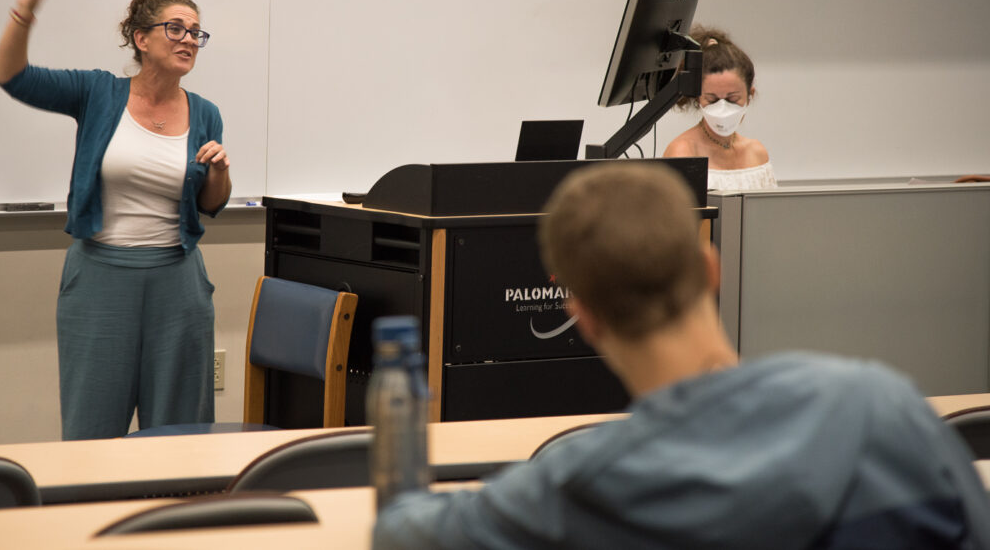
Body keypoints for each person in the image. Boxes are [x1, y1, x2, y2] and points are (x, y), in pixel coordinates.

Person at [373, 162, 990, 549]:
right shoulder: (880, 405)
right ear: (710, 269)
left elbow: (401, 532)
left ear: (581, 316)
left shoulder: (582, 483)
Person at [0, 0, 232, 440]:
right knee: (92, 431)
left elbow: (211, 204)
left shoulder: (205, 113)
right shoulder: (97, 92)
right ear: (142, 39)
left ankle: (175, 516)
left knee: (180, 433)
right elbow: (12, 76)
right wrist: (25, 10)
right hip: (100, 280)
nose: (188, 39)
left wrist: (221, 172)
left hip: (178, 284)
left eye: (196, 33)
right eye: (176, 28)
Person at [663, 26, 777, 190]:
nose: (722, 108)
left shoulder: (757, 153)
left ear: (749, 95)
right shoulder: (683, 152)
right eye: (712, 99)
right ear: (698, 97)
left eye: (732, 98)